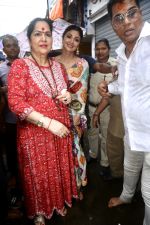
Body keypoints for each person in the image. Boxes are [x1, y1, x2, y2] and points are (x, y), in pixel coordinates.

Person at [8, 18, 78, 225]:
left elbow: (63, 91)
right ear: (29, 40)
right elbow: (15, 103)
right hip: (35, 134)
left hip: (60, 130)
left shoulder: (58, 68)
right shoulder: (20, 66)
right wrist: (48, 123)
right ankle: (39, 209)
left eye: (47, 33)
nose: (43, 38)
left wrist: (67, 96)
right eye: (38, 33)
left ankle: (58, 202)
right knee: (38, 174)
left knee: (57, 168)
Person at [98, 0, 150, 224]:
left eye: (131, 13)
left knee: (148, 190)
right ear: (113, 24)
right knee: (129, 169)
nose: (126, 22)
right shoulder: (121, 53)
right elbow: (126, 85)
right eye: (119, 18)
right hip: (132, 132)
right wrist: (108, 87)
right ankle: (126, 197)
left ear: (140, 13)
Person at [54, 25, 89, 200]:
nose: (71, 41)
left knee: (75, 151)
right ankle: (63, 189)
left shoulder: (83, 64)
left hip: (75, 115)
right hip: (54, 116)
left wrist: (77, 115)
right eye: (69, 36)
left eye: (76, 39)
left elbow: (82, 92)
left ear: (79, 44)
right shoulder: (51, 62)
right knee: (58, 154)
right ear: (62, 37)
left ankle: (77, 185)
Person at [87, 39, 116, 180]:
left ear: (109, 49)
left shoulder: (115, 65)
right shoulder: (92, 66)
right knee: (92, 133)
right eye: (97, 49)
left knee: (105, 137)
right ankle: (93, 154)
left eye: (103, 48)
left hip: (107, 109)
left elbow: (112, 92)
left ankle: (105, 164)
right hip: (91, 106)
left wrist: (98, 113)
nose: (100, 52)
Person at [0, 35, 22, 212]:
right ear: (4, 49)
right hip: (10, 120)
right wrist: (5, 89)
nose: (13, 48)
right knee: (13, 156)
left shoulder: (28, 65)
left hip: (29, 120)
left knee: (28, 155)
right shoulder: (0, 69)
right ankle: (17, 188)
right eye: (9, 46)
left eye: (15, 45)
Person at [93, 95, 124, 178]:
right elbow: (107, 97)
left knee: (116, 148)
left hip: (123, 125)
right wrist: (96, 114)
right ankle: (117, 172)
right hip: (117, 123)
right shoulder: (117, 83)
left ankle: (117, 173)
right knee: (114, 148)